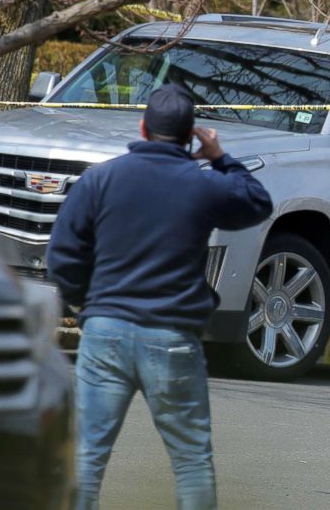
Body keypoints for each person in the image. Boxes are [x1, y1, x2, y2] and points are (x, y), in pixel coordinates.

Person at [47, 83, 273, 510]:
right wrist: (221, 157)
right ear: (192, 137)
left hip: (106, 332)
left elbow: (62, 256)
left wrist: (86, 305)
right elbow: (258, 202)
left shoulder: (100, 179)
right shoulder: (201, 184)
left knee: (85, 458)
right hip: (172, 336)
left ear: (142, 127)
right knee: (190, 461)